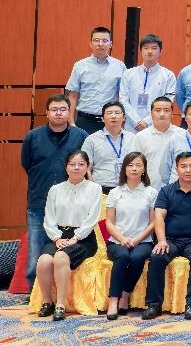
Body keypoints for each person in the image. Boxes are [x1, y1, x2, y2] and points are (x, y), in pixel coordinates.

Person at [143, 152, 191, 320]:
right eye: (183, 166)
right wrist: (161, 240)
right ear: (176, 169)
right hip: (170, 240)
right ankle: (154, 305)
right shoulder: (166, 191)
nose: (188, 170)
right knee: (157, 256)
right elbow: (159, 216)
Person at [33, 151, 102, 321]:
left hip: (84, 238)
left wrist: (75, 238)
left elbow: (92, 219)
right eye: (72, 164)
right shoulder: (55, 190)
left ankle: (60, 304)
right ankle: (47, 302)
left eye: (81, 164)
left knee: (61, 257)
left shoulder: (94, 189)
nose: (76, 167)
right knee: (44, 261)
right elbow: (49, 218)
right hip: (59, 235)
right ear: (66, 167)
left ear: (87, 167)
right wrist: (57, 238)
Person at [103, 151, 158, 320]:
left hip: (143, 241)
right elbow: (109, 223)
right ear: (124, 169)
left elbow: (153, 223)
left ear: (144, 169)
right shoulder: (115, 192)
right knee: (123, 256)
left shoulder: (151, 192)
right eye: (130, 165)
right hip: (117, 241)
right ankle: (113, 301)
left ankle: (125, 295)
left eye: (138, 165)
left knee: (136, 257)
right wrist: (122, 239)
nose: (134, 168)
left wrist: (137, 239)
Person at [66, 26, 126, 134]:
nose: (100, 44)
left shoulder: (120, 66)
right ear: (90, 43)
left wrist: (121, 122)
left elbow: (122, 96)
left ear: (110, 44)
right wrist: (71, 122)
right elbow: (72, 96)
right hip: (85, 121)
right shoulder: (79, 66)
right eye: (96, 40)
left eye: (105, 41)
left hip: (110, 121)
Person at [119, 34, 178, 132]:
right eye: (146, 48)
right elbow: (123, 100)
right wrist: (137, 121)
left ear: (160, 51)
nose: (150, 51)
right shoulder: (128, 74)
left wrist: (147, 121)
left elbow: (167, 103)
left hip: (156, 127)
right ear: (141, 51)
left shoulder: (168, 76)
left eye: (154, 48)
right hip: (131, 127)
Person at [83, 102, 139, 191]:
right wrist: (92, 188)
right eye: (109, 113)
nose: (113, 116)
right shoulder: (92, 139)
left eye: (117, 113)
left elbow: (139, 164)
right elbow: (86, 168)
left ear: (124, 118)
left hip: (127, 189)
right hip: (101, 189)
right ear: (102, 119)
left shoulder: (133, 138)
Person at [135, 97, 187, 184]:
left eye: (166, 110)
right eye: (158, 110)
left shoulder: (183, 135)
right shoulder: (141, 137)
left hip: (178, 188)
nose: (162, 114)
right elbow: (136, 166)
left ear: (172, 114)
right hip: (149, 188)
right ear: (151, 114)